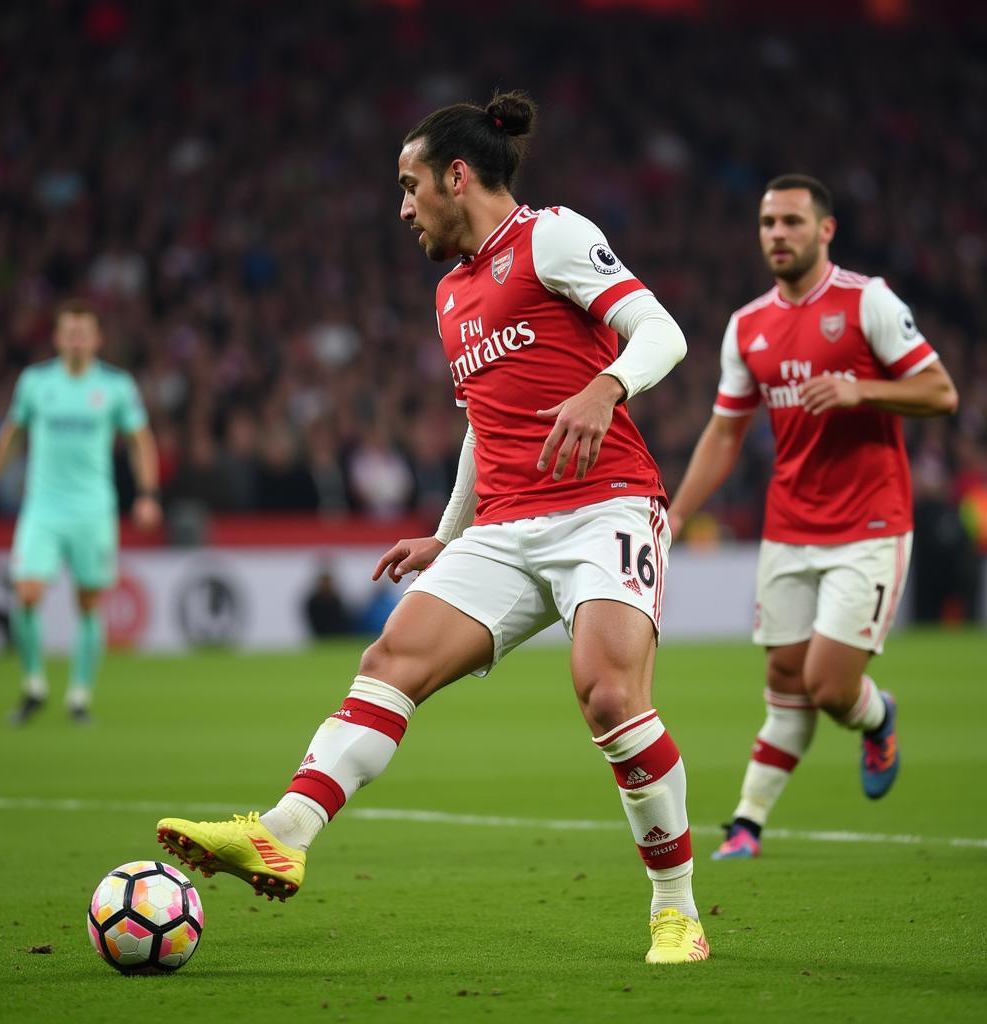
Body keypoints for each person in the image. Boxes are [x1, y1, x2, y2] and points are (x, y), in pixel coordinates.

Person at [157, 91, 709, 965]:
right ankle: (285, 831)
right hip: (504, 524)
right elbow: (481, 428)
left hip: (604, 504)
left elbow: (661, 331)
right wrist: (450, 533)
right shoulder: (450, 294)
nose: (403, 207)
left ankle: (676, 909)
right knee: (389, 662)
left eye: (411, 186)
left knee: (609, 695)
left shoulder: (551, 234)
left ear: (459, 176)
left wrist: (605, 387)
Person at [666, 174, 958, 860]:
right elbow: (725, 432)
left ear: (825, 231)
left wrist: (863, 389)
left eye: (793, 222)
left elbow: (940, 392)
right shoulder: (748, 326)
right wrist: (677, 513)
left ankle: (878, 715)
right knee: (784, 681)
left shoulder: (868, 302)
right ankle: (748, 822)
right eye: (768, 223)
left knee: (830, 686)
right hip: (790, 527)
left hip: (870, 523)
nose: (778, 235)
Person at [0, 300, 161, 723]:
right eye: (69, 332)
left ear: (96, 339)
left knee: (89, 602)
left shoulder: (115, 386)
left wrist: (147, 493)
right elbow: (11, 435)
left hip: (93, 509)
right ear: (56, 338)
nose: (76, 339)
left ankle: (79, 695)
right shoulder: (36, 382)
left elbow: (140, 440)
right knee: (27, 591)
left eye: (83, 332)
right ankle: (34, 684)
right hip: (42, 507)